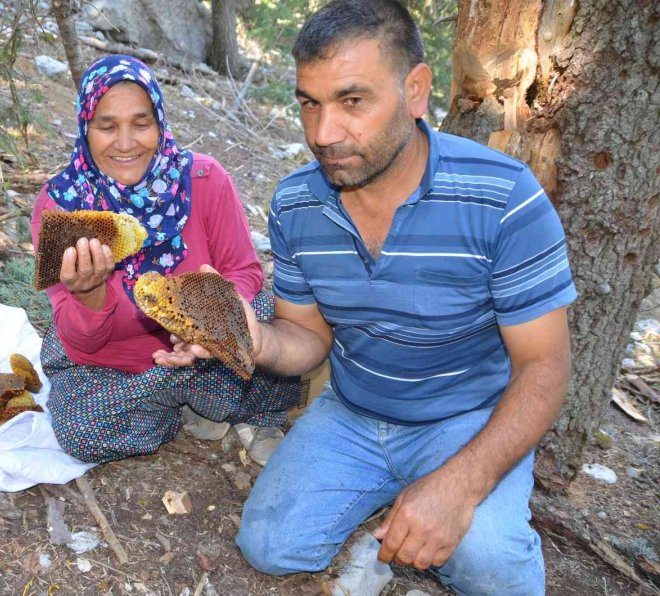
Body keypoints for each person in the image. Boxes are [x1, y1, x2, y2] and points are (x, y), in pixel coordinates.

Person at [155, 1, 577, 593]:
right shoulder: (297, 204)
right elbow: (307, 338)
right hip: (353, 411)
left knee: (493, 570)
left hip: (465, 420)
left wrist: (459, 485)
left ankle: (437, 512)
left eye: (352, 101)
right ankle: (392, 514)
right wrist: (251, 338)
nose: (323, 134)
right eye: (309, 103)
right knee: (270, 546)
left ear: (415, 91)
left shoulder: (503, 197)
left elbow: (546, 365)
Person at [31, 55, 300, 466]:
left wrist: (206, 319)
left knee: (268, 314)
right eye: (107, 126)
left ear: (159, 123)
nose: (126, 143)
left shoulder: (204, 180)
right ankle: (181, 401)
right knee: (79, 430)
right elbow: (82, 343)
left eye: (141, 124)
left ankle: (211, 403)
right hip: (114, 365)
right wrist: (87, 293)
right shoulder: (62, 207)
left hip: (205, 348)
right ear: (85, 128)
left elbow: (244, 271)